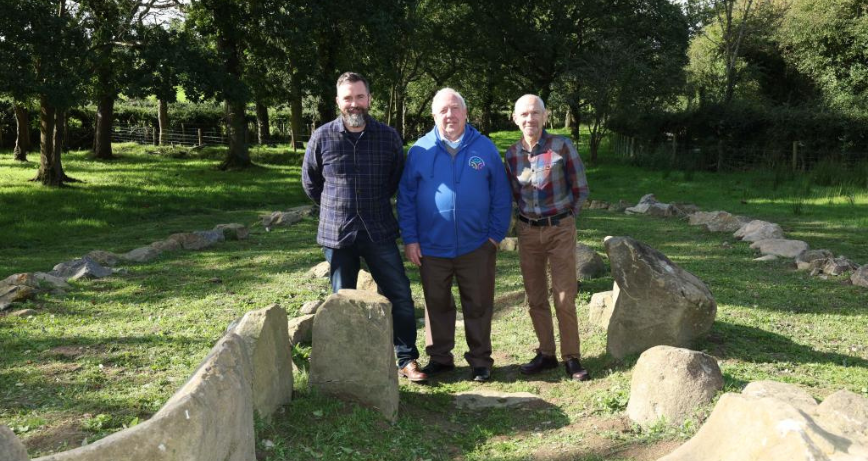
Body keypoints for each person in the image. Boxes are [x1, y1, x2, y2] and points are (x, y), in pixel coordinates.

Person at [302, 71, 427, 383]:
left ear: (369, 99)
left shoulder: (388, 137)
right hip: (337, 233)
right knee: (342, 299)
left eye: (359, 97)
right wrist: (336, 205)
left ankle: (406, 358)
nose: (354, 104)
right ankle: (345, 363)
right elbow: (311, 183)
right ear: (338, 102)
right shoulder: (322, 136)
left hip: (378, 230)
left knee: (399, 293)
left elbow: (394, 180)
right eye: (348, 98)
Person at [397, 88, 512, 383]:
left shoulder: (485, 148)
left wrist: (495, 236)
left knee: (479, 303)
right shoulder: (419, 150)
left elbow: (501, 194)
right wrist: (411, 239)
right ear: (434, 115)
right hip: (432, 246)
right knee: (437, 304)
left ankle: (480, 361)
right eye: (443, 110)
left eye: (455, 109)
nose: (450, 115)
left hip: (477, 245)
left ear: (465, 113)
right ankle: (440, 358)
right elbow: (406, 198)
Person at [505, 94, 591, 382]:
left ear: (545, 116)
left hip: (560, 230)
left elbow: (580, 189)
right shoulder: (512, 154)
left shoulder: (562, 146)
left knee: (564, 296)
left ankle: (572, 357)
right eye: (524, 114)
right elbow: (513, 195)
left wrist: (567, 220)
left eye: (535, 113)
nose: (530, 119)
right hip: (528, 232)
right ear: (515, 119)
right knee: (535, 297)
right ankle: (546, 353)